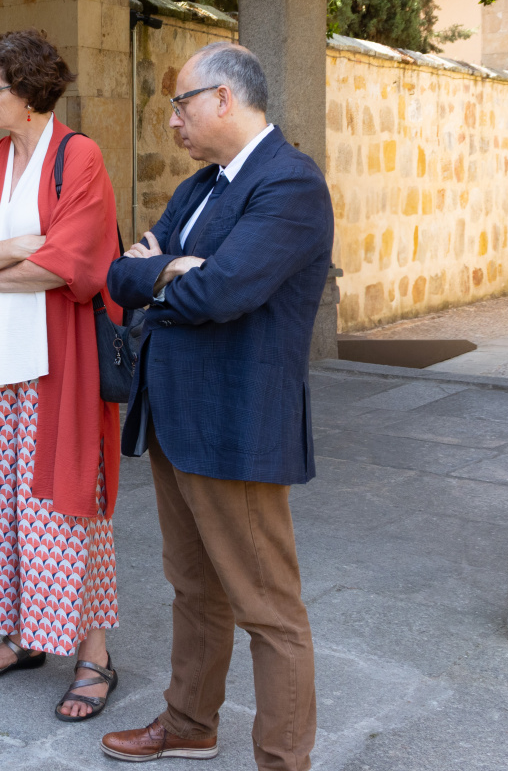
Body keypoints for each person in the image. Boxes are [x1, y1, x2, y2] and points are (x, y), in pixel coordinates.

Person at [99, 42, 333, 769]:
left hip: (236, 425)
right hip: (174, 419)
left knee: (269, 610)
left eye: (181, 104)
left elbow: (223, 292)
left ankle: (283, 761)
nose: (172, 120)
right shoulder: (200, 186)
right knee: (194, 588)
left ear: (224, 98)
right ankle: (189, 724)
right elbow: (119, 274)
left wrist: (162, 274)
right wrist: (172, 268)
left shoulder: (289, 183)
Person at [0, 29, 125, 722]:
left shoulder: (79, 157)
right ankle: (21, 637)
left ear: (32, 92)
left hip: (58, 368)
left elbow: (68, 265)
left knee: (67, 506)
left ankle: (94, 657)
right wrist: (12, 246)